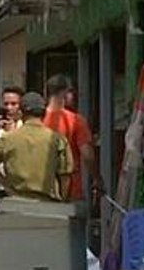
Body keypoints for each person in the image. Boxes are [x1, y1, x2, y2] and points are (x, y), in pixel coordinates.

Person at [0, 92, 73, 202]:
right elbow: (65, 176)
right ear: (44, 113)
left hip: (16, 200)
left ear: (21, 113)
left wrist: (7, 186)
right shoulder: (58, 140)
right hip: (47, 203)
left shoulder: (7, 138)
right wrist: (62, 199)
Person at [43, 75, 101, 203]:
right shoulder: (76, 121)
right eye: (71, 93)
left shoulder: (37, 121)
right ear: (65, 93)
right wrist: (97, 179)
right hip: (71, 189)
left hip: (43, 188)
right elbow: (87, 155)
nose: (74, 97)